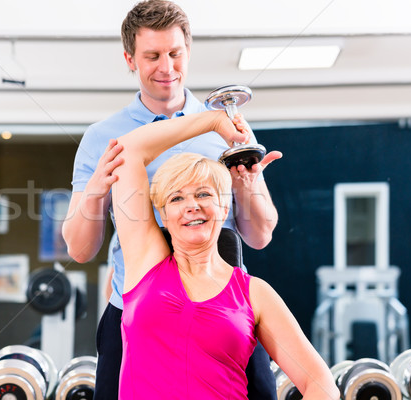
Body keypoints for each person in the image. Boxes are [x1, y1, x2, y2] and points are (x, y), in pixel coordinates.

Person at [62, 1, 279, 398]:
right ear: (129, 58)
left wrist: (247, 185)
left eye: (175, 54)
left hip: (224, 309)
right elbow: (79, 249)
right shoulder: (102, 137)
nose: (167, 67)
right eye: (152, 56)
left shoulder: (227, 128)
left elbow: (260, 234)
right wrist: (96, 188)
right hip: (137, 311)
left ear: (188, 52)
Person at [110, 109, 338, 399]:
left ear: (225, 207)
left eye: (204, 194)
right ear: (164, 216)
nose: (192, 205)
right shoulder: (145, 263)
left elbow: (321, 382)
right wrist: (214, 121)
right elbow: (126, 150)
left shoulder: (254, 293)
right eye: (177, 198)